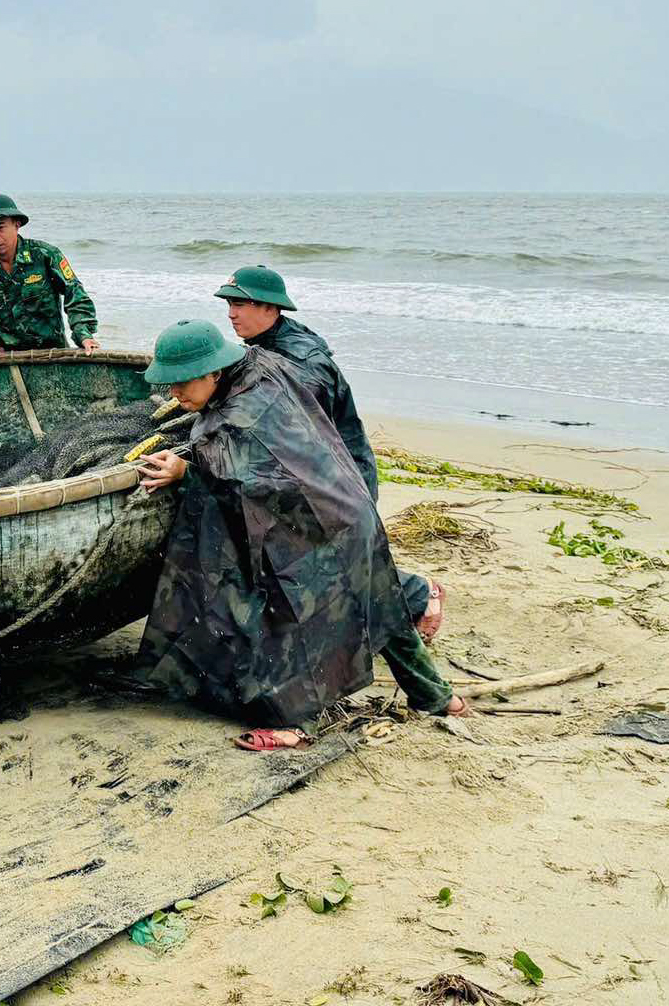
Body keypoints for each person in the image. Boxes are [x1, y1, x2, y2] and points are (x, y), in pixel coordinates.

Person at [133, 320, 468, 751]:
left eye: (183, 383)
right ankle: (441, 700)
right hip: (347, 503)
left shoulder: (241, 418)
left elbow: (242, 480)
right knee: (379, 605)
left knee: (290, 621)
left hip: (312, 525)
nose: (175, 393)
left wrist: (185, 471)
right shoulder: (262, 364)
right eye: (170, 383)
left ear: (215, 372)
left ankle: (294, 723)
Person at [217, 264, 447, 644]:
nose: (231, 313)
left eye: (241, 303)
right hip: (311, 471)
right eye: (229, 303)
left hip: (338, 476)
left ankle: (421, 594)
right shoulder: (267, 345)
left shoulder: (303, 364)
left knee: (329, 556)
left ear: (272, 308)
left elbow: (292, 429)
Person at [0, 192, 100, 355]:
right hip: (5, 356)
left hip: (52, 353)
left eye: (0, 227)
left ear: (16, 225)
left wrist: (83, 334)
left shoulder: (44, 255)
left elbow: (75, 293)